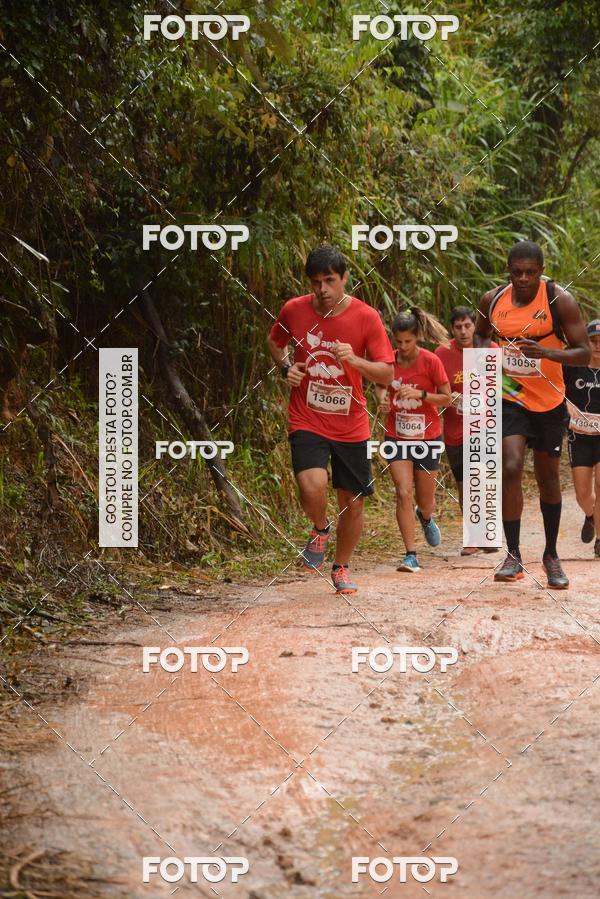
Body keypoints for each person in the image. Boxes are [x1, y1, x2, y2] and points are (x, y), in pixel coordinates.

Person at [267, 245, 395, 594]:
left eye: (329, 280)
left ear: (344, 278)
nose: (322, 289)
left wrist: (354, 360)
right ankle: (321, 528)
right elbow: (275, 342)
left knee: (353, 502)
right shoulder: (294, 310)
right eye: (315, 282)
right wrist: (286, 368)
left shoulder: (366, 317)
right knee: (312, 484)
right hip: (306, 416)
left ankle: (341, 567)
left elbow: (386, 373)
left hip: (351, 423)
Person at [475, 240, 591, 588]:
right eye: (517, 272)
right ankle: (513, 555)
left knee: (548, 478)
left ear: (541, 272)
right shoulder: (493, 300)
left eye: (530, 273)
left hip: (550, 400)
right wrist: (489, 363)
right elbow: (480, 336)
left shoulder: (558, 300)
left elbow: (584, 352)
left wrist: (546, 353)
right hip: (511, 395)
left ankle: (551, 555)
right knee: (510, 465)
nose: (523, 278)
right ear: (508, 271)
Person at [375, 307, 451, 573]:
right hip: (396, 436)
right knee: (403, 492)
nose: (403, 347)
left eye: (408, 341)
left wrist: (421, 395)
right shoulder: (388, 361)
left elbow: (447, 398)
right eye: (398, 341)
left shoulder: (431, 361)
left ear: (417, 336)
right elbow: (380, 386)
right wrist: (382, 400)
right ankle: (410, 554)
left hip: (427, 437)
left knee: (425, 500)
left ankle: (425, 517)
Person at [435, 305, 499, 556]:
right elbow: (435, 390)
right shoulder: (442, 353)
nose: (463, 331)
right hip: (455, 431)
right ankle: (472, 536)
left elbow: (506, 386)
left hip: (485, 428)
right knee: (465, 486)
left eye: (468, 326)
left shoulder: (490, 350)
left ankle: (488, 534)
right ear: (452, 329)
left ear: (475, 326)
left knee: (482, 479)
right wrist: (447, 397)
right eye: (458, 327)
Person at [565, 319, 600, 557]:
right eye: (593, 341)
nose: (597, 346)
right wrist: (567, 407)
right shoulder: (572, 365)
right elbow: (556, 391)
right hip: (579, 436)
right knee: (583, 494)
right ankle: (590, 515)